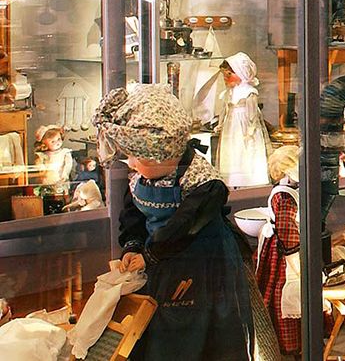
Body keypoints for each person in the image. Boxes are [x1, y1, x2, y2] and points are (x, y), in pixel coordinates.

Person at [96, 84, 261, 360]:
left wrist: (151, 253)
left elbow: (184, 227)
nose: (133, 164)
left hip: (202, 264)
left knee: (199, 336)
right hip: (159, 261)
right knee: (157, 329)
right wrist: (134, 245)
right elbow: (133, 213)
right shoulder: (142, 175)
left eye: (139, 157)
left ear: (165, 154)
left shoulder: (203, 183)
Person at [256, 145, 302, 356]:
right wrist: (294, 256)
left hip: (284, 244)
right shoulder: (284, 196)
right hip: (284, 251)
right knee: (283, 292)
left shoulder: (289, 192)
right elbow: (286, 228)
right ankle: (287, 344)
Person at [215, 53, 271, 187]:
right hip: (231, 126)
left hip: (245, 126)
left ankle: (250, 179)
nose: (226, 78)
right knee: (232, 151)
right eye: (225, 75)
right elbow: (225, 109)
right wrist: (220, 123)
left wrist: (250, 130)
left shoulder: (248, 92)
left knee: (247, 152)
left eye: (229, 74)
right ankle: (232, 180)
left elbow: (252, 114)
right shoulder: (229, 93)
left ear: (242, 73)